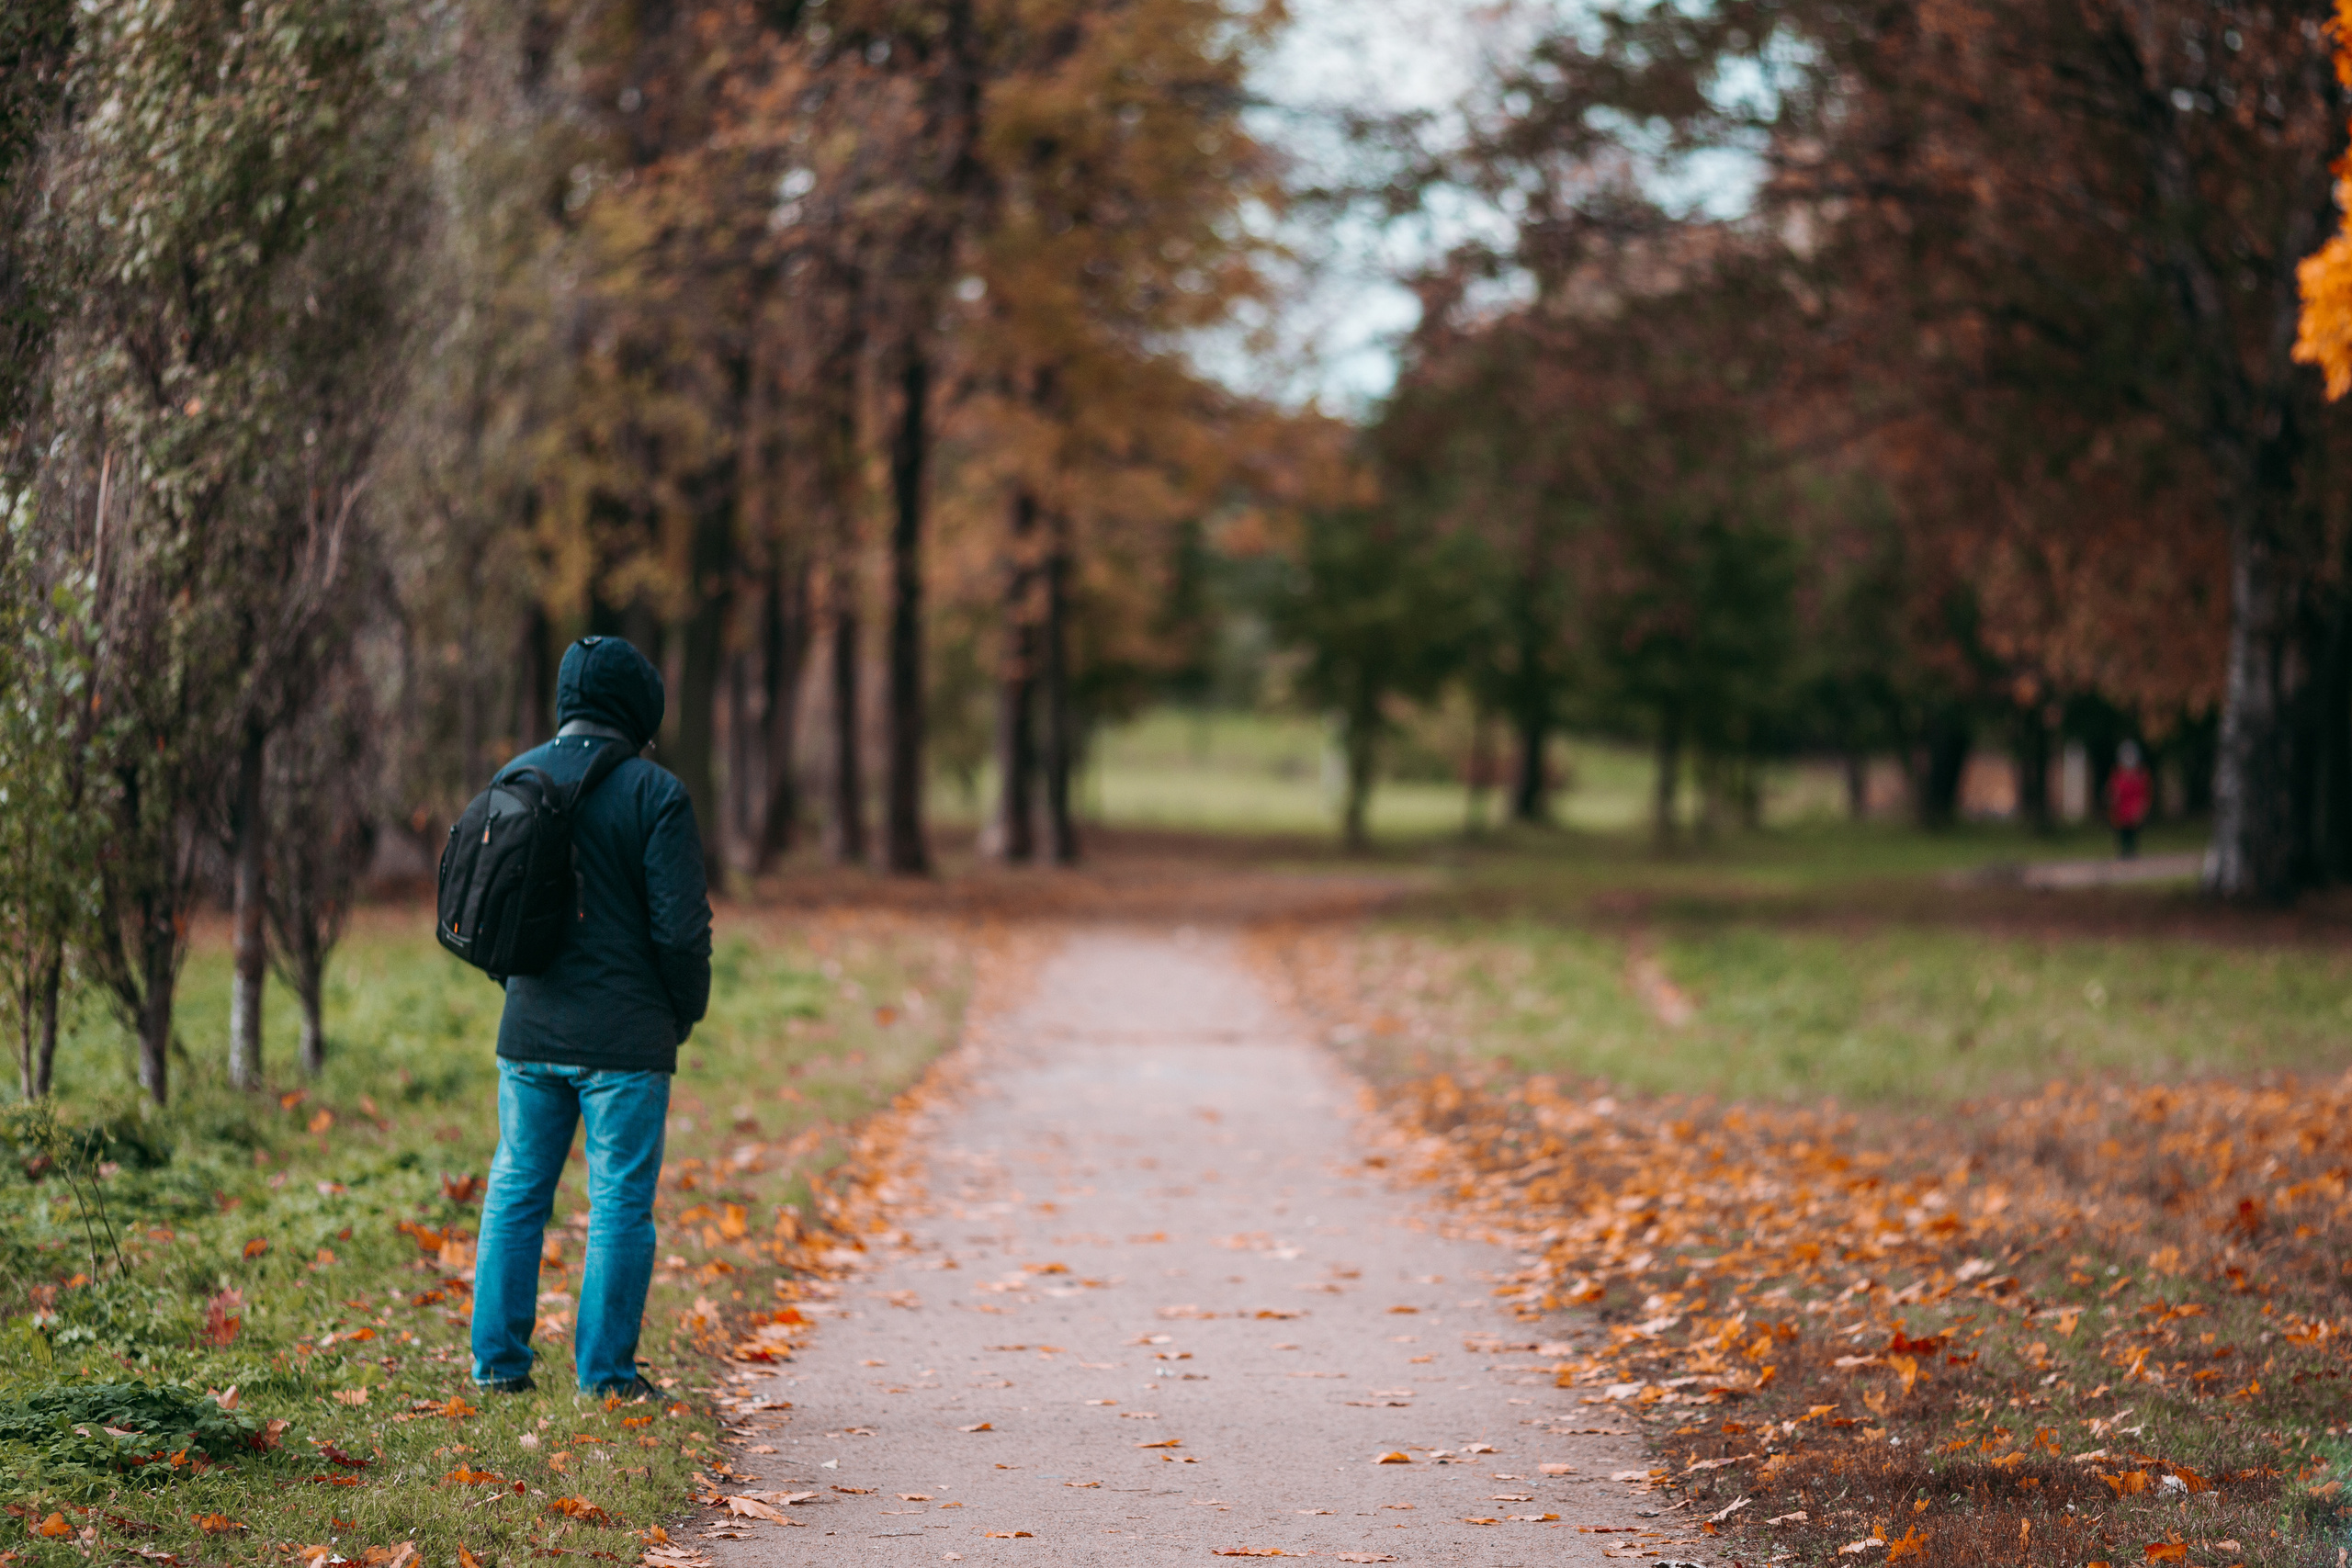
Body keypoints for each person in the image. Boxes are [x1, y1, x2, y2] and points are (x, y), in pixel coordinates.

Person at [470, 636, 712, 1398]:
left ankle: (497, 1366)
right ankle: (605, 1377)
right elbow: (680, 930)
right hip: (627, 1040)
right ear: (641, 707)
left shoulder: (518, 774)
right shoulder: (656, 793)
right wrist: (682, 1011)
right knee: (618, 1206)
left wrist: (520, 993)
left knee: (515, 1192)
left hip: (529, 1031)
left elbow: (490, 910)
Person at [2106, 739, 2152, 861]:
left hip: (2133, 809)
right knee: (2123, 832)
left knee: (2132, 832)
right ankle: (2124, 851)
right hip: (2122, 810)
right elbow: (2114, 791)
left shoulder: (2140, 775)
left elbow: (2143, 793)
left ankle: (2131, 851)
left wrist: (2141, 807)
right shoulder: (2118, 775)